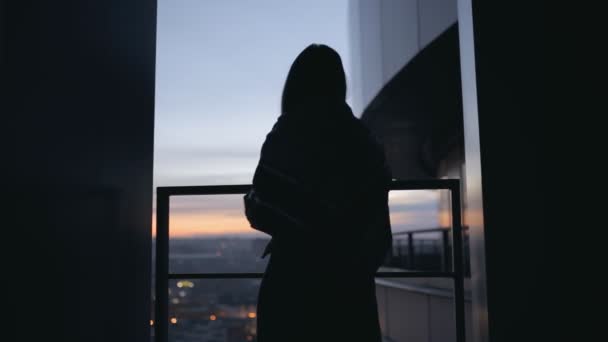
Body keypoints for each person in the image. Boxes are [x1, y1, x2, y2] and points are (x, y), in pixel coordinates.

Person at [244, 44, 392, 342]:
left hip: (293, 279)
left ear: (294, 86)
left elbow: (263, 208)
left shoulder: (287, 134)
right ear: (340, 84)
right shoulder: (363, 141)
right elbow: (375, 217)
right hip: (351, 282)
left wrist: (251, 200)